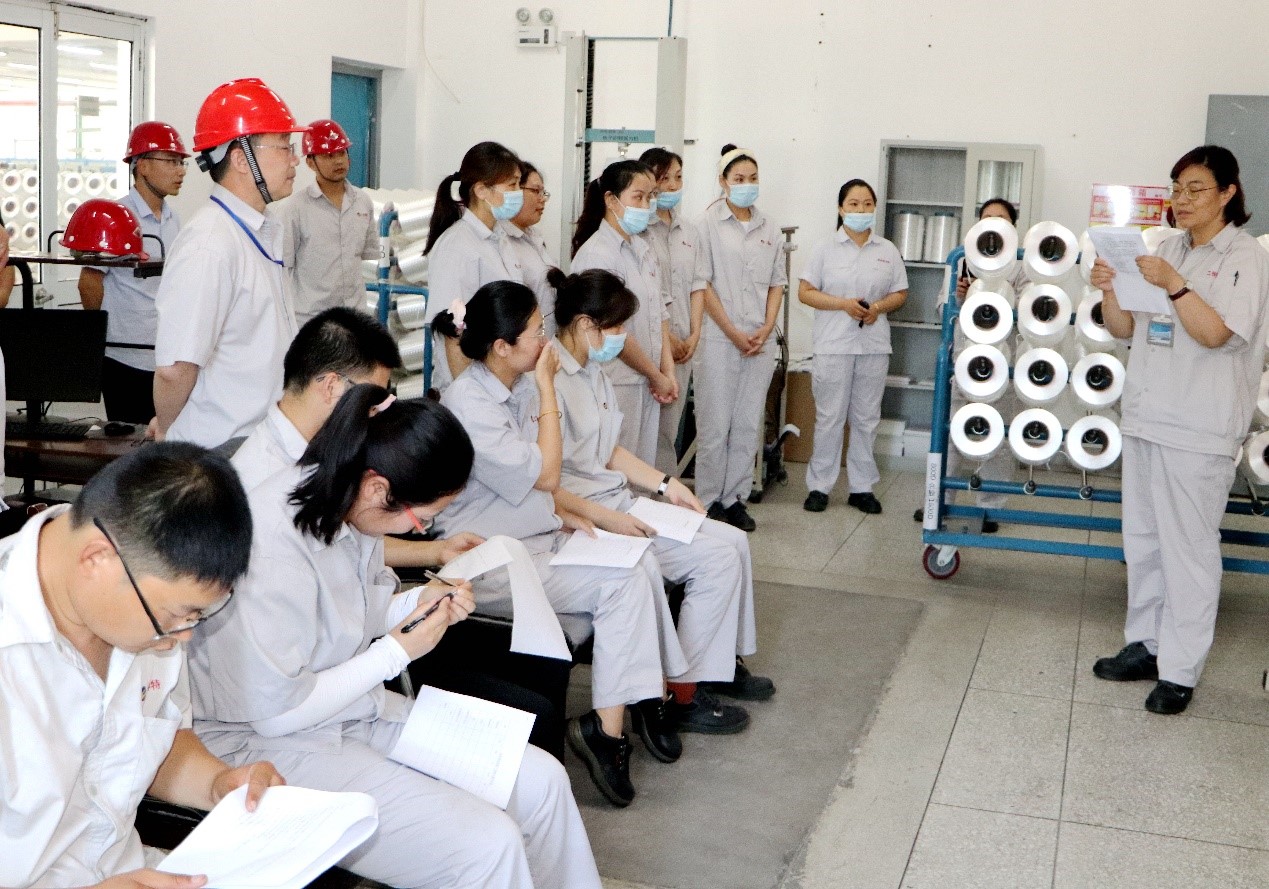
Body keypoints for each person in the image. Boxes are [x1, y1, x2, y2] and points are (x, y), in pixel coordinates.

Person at [189, 385, 602, 888]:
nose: (422, 531)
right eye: (421, 519)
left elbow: (359, 611)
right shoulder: (273, 546)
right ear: (377, 488)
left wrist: (421, 603)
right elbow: (278, 715)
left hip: (348, 710)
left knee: (543, 782)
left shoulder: (347, 506)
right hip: (262, 743)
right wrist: (395, 652)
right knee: (489, 845)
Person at [435, 280, 689, 808]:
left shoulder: (519, 384)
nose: (545, 341)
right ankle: (609, 733)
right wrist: (549, 389)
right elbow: (548, 475)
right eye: (535, 332)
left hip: (538, 538)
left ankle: (637, 703)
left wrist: (585, 516)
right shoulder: (472, 403)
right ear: (501, 346)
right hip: (491, 560)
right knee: (622, 583)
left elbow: (547, 490)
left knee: (640, 561)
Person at [0, 442, 285, 889]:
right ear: (96, 559)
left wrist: (218, 783)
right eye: (175, 616)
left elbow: (158, 742)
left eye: (198, 616)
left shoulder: (150, 613)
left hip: (132, 868)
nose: (184, 636)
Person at [547, 267, 773, 734]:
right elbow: (544, 483)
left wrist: (668, 485)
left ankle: (715, 669)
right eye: (616, 326)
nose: (621, 337)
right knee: (716, 560)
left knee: (733, 542)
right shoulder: (550, 381)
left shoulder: (593, 371)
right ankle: (683, 693)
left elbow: (608, 450)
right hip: (591, 516)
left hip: (618, 499)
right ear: (586, 324)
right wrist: (613, 516)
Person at [1090, 145, 1269, 715]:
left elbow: (1216, 334)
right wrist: (1110, 288)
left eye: (1196, 189)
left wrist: (1174, 284)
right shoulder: (1166, 248)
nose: (1182, 200)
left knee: (1189, 551)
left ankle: (1180, 669)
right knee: (1143, 541)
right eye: (1176, 188)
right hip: (1148, 415)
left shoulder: (1245, 257)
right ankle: (1146, 644)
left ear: (1228, 193)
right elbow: (1125, 329)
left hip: (1200, 425)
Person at [153, 78, 303, 447]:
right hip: (219, 449)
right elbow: (175, 370)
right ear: (240, 159)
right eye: (284, 146)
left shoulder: (261, 228)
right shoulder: (209, 245)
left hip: (258, 440)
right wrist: (170, 434)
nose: (295, 159)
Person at [799, 179, 908, 515]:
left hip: (873, 346)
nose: (861, 210)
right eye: (854, 204)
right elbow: (805, 292)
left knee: (866, 419)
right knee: (830, 418)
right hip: (833, 345)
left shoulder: (887, 250)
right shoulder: (824, 249)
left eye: (867, 204)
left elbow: (900, 293)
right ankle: (820, 486)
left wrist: (878, 307)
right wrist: (843, 304)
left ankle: (862, 487)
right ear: (841, 208)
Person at [692, 144, 787, 531]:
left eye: (753, 178)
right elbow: (703, 283)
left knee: (748, 425)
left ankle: (735, 499)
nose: (747, 184)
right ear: (723, 181)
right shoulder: (706, 225)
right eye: (739, 178)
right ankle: (708, 500)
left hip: (759, 341)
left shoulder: (769, 227)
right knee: (715, 426)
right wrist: (732, 331)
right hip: (719, 338)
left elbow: (777, 282)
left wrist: (767, 326)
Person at [78, 122, 188, 423]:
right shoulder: (115, 218)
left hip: (163, 356)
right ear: (142, 166)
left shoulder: (173, 219)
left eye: (182, 163)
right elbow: (89, 284)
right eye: (171, 161)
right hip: (124, 358)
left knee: (163, 440)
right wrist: (107, 337)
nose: (180, 171)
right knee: (126, 443)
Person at [571, 160, 677, 468]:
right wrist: (656, 375)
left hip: (647, 381)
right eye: (638, 197)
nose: (646, 206)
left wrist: (667, 372)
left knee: (643, 469)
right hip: (615, 382)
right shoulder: (597, 254)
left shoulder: (643, 249)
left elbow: (659, 315)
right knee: (616, 470)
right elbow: (611, 330)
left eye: (650, 197)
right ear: (611, 200)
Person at [937, 197, 1029, 532]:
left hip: (1002, 363)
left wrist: (1003, 301)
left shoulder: (1022, 264)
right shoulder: (962, 258)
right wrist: (960, 299)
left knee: (997, 436)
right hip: (963, 360)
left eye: (1001, 218)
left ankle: (990, 506)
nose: (993, 223)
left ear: (1013, 227)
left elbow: (1031, 315)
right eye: (986, 217)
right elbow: (942, 310)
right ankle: (939, 501)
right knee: (950, 433)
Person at [423, 141, 525, 392]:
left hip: (501, 380)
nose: (518, 193)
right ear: (481, 190)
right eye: (512, 185)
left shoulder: (500, 238)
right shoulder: (457, 246)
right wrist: (471, 396)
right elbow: (452, 333)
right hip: (472, 388)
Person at [277, 119, 378, 325]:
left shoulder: (363, 202)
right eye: (328, 155)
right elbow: (282, 270)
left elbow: (367, 254)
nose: (338, 161)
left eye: (341, 153)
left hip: (355, 319)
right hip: (312, 322)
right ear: (310, 162)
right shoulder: (295, 209)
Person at [640, 147, 704, 473]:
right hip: (649, 345)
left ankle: (664, 496)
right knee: (642, 431)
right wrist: (670, 341)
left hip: (683, 347)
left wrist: (693, 336)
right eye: (664, 178)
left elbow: (698, 286)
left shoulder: (690, 232)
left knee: (668, 432)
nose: (673, 186)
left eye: (678, 177)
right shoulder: (639, 230)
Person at [500, 160, 559, 336]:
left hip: (546, 339)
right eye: (535, 191)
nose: (542, 199)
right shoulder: (502, 241)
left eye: (543, 192)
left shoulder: (535, 237)